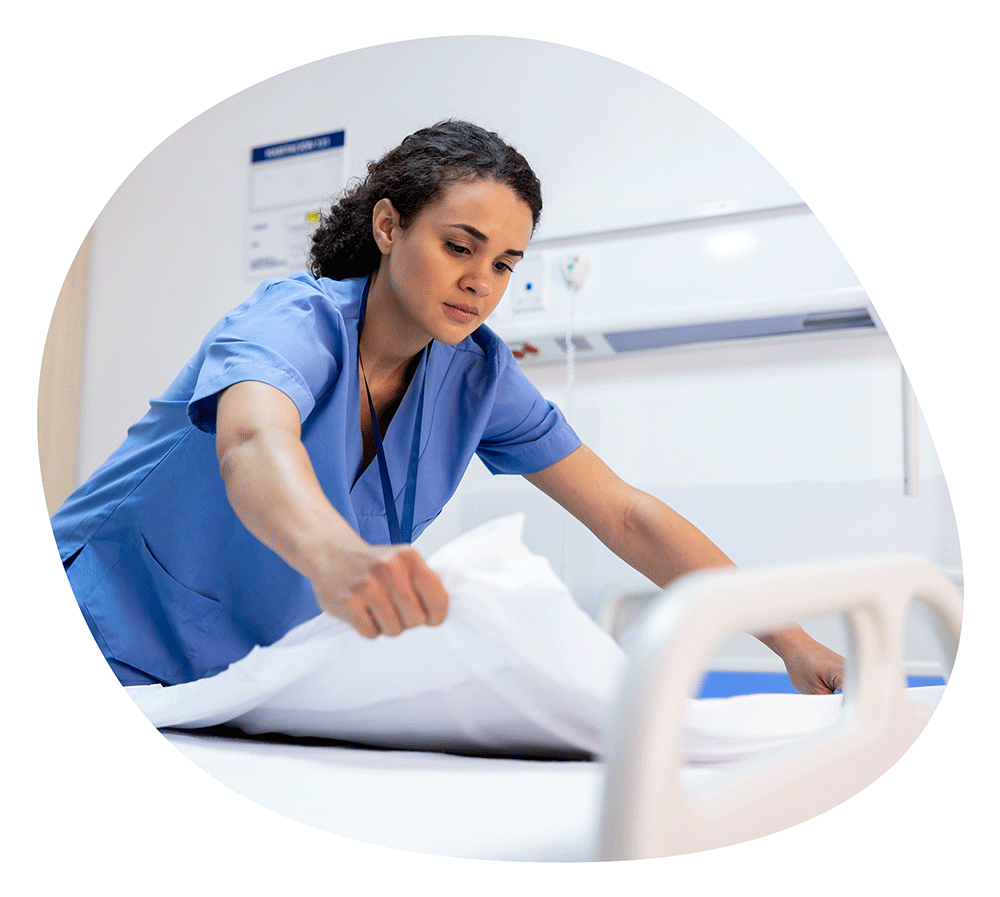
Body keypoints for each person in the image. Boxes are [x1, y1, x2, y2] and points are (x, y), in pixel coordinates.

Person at [51, 120, 845, 694]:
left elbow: (624, 514)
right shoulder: (291, 319)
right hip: (106, 627)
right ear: (389, 225)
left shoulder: (476, 376)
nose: (482, 282)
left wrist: (788, 636)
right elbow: (254, 440)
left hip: (243, 678)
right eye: (460, 246)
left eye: (505, 263)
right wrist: (337, 557)